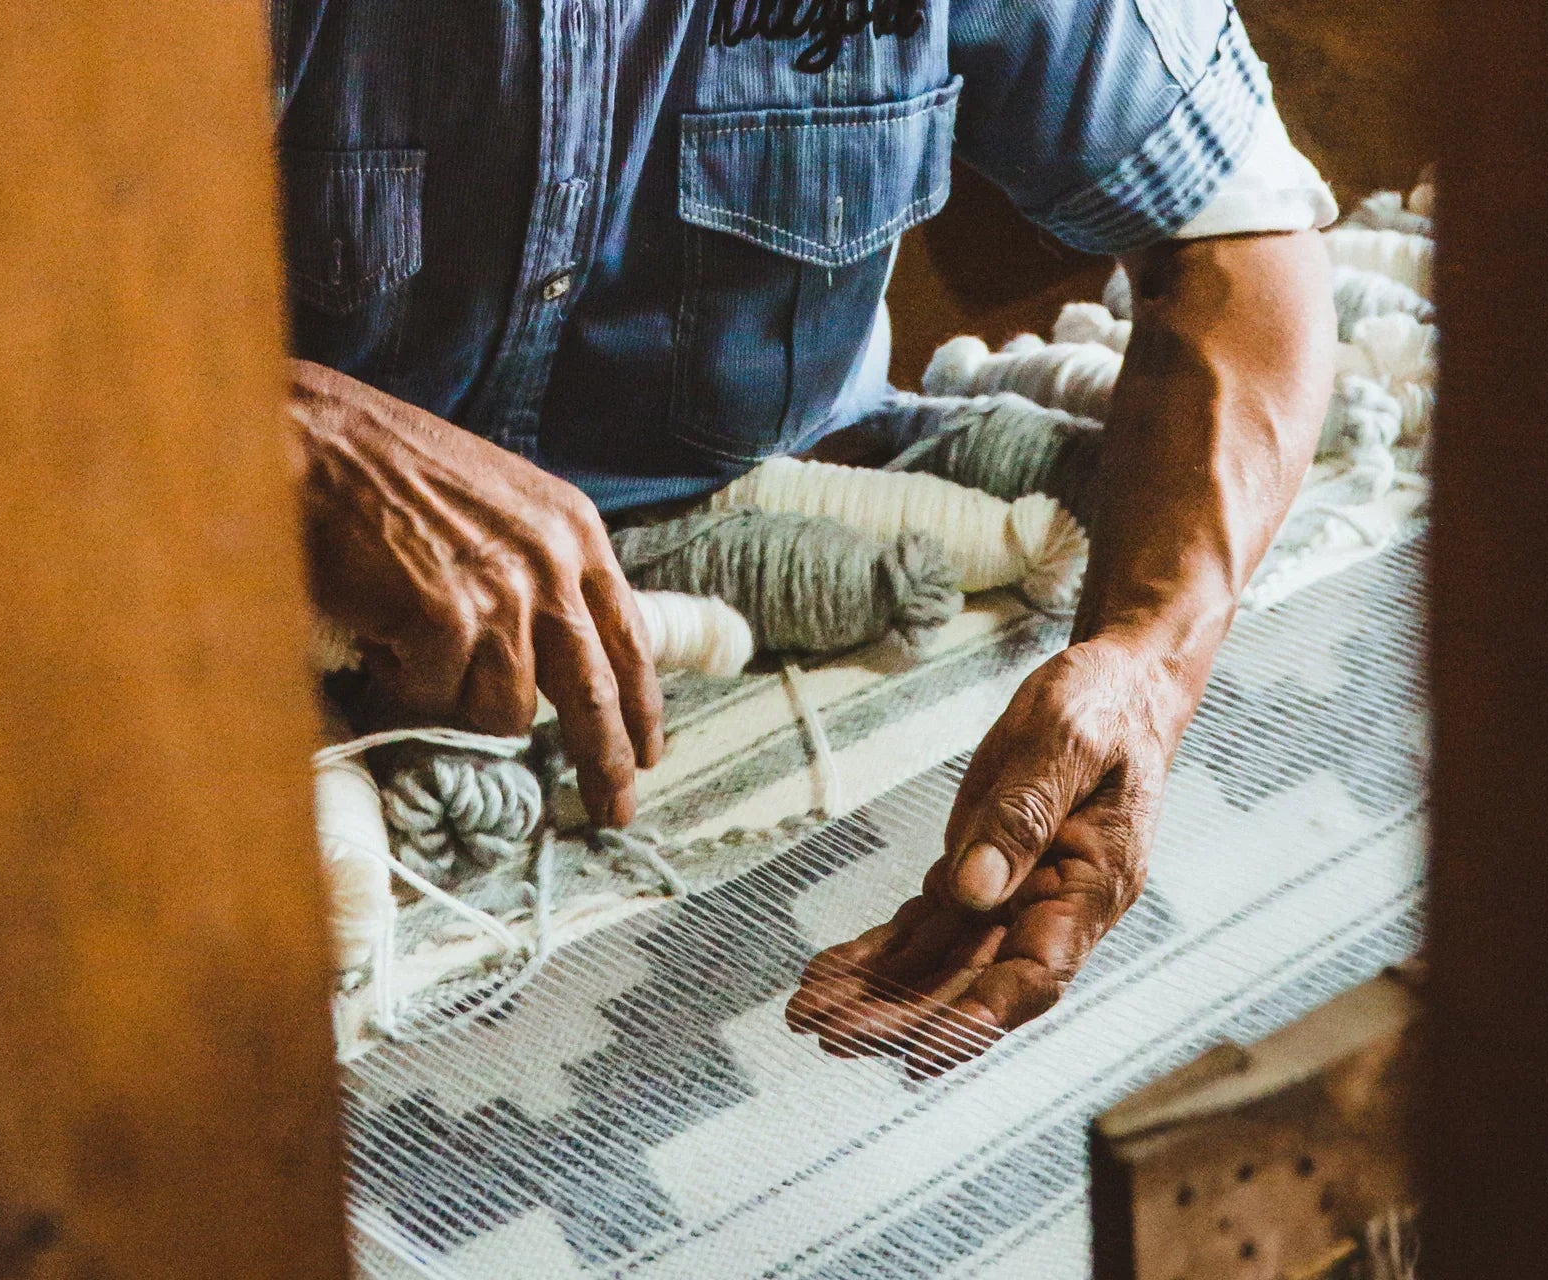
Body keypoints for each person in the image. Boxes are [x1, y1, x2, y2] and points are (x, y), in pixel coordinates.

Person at [275, 0, 1338, 1069]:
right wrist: (291, 433)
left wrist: (1146, 661)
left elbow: (1231, 234)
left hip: (790, 537)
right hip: (251, 588)